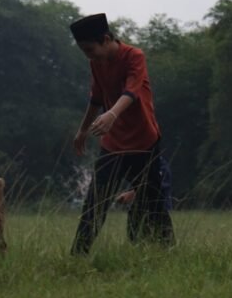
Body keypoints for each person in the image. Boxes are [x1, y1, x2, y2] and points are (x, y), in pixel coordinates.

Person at [69, 13, 174, 255]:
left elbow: (132, 90)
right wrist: (83, 129)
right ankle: (78, 255)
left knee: (154, 203)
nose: (89, 55)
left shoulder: (134, 56)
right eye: (84, 51)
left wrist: (112, 115)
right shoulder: (96, 63)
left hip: (143, 143)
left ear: (106, 39)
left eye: (90, 49)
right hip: (113, 144)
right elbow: (96, 97)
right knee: (95, 201)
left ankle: (168, 251)